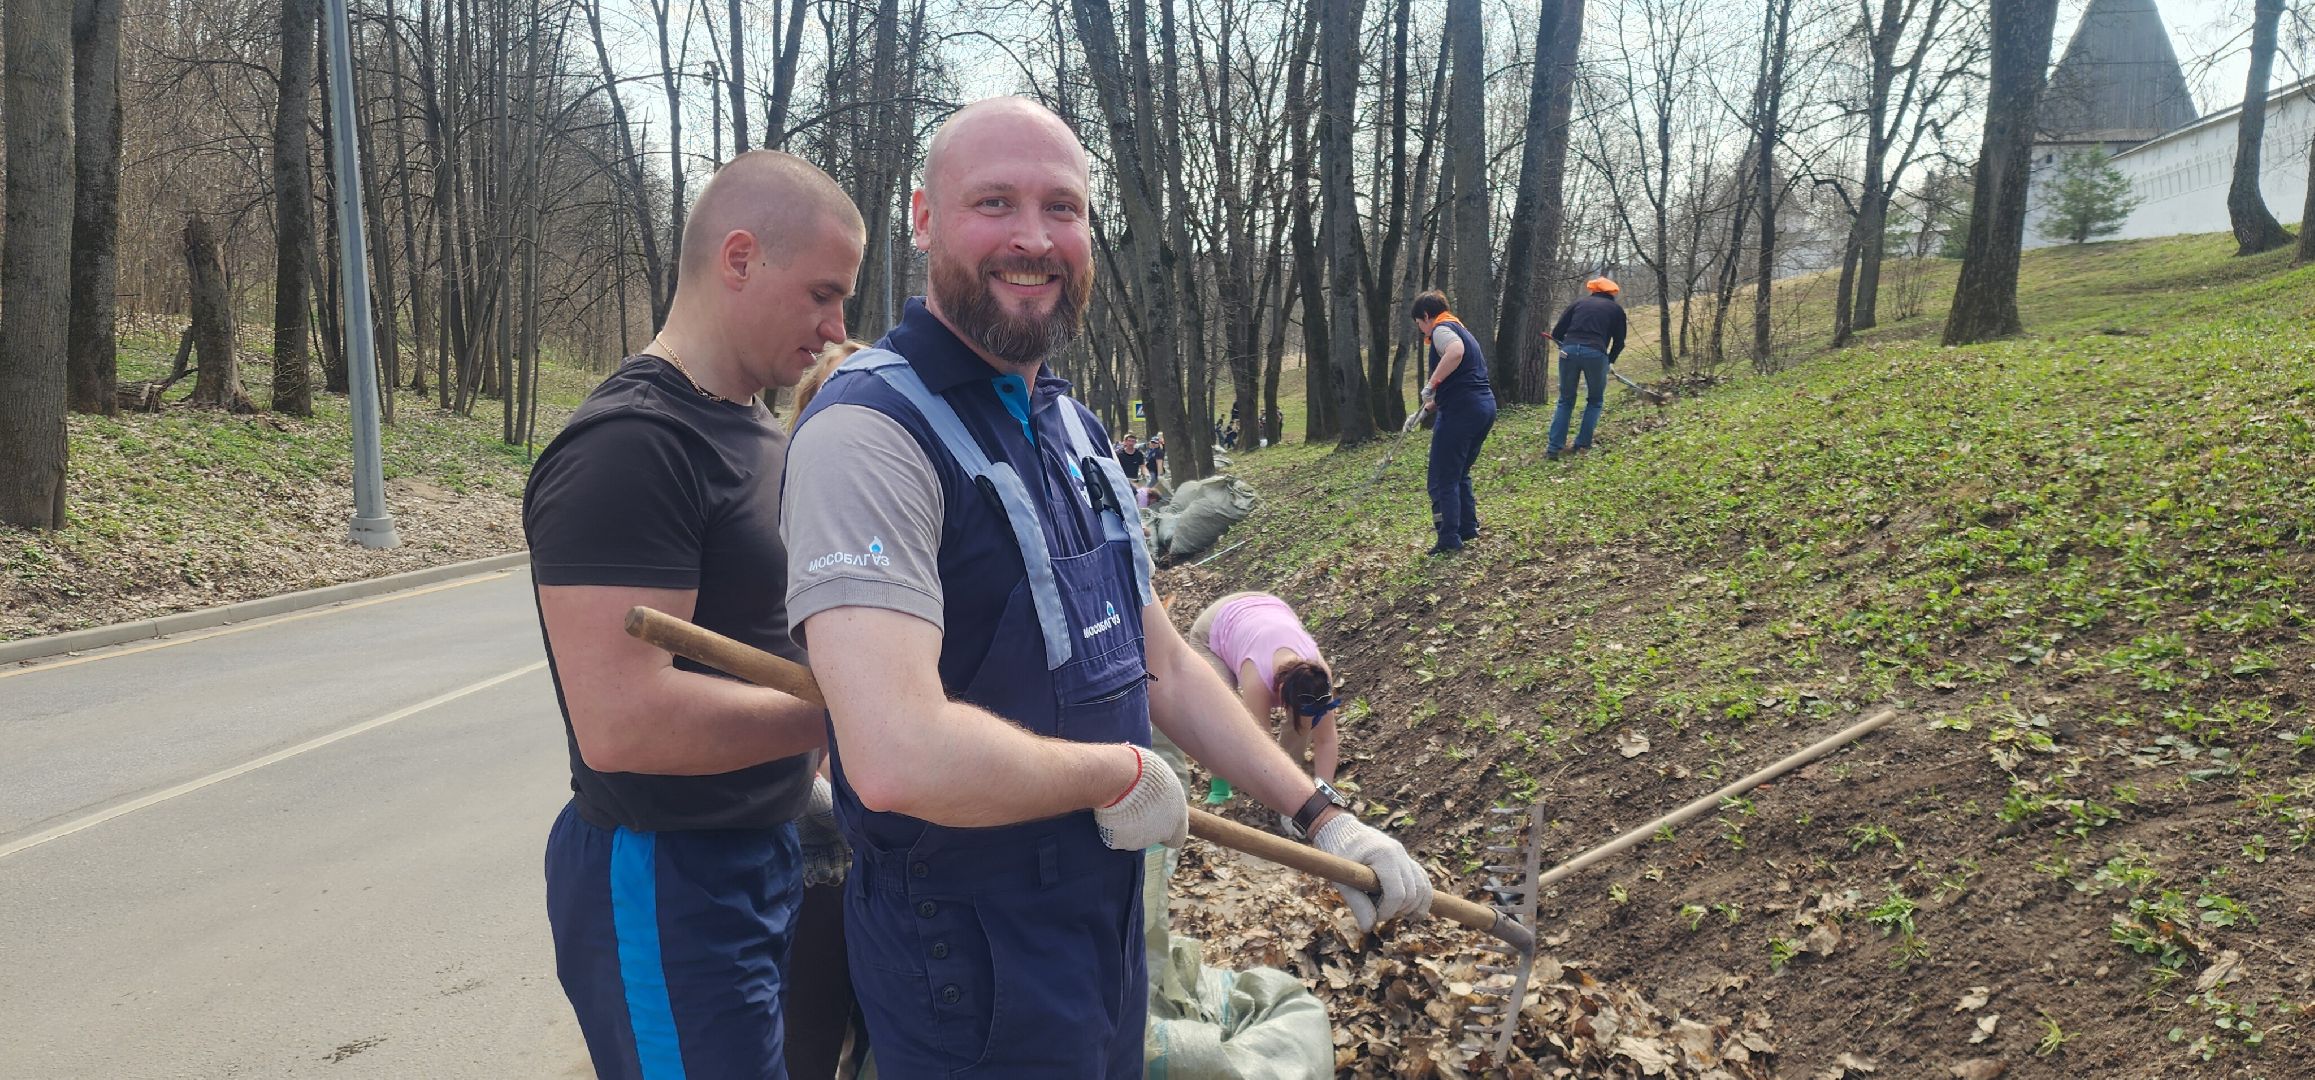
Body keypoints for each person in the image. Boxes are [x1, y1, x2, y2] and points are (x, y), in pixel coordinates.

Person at [781, 96, 1432, 1079]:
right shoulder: (867, 435)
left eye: (1063, 208)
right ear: (921, 219)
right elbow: (893, 755)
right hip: (967, 962)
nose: (1033, 238)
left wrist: (1321, 813)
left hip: (1102, 928)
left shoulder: (1078, 434)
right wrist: (1116, 776)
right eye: (992, 203)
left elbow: (1159, 658)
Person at [524, 150, 865, 1080]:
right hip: (665, 874)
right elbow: (623, 723)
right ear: (742, 257)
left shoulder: (754, 430)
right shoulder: (634, 446)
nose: (838, 326)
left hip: (764, 853)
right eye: (824, 294)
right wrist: (856, 710)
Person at [1186, 592, 1344, 811]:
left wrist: (1324, 794)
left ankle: (1293, 776)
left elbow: (1326, 740)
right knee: (1220, 709)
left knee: (1303, 722)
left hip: (1269, 609)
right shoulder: (1257, 681)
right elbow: (1261, 748)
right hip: (1214, 628)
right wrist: (1285, 803)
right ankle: (1220, 785)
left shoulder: (1319, 676)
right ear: (1278, 691)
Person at [1411, 289, 1498, 555]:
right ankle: (1467, 528)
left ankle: (1448, 537)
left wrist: (1431, 383)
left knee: (1441, 477)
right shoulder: (1463, 330)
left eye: (1419, 324)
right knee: (1459, 472)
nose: (1422, 331)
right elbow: (1464, 379)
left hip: (1462, 412)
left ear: (1426, 316)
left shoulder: (1442, 330)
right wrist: (1427, 409)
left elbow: (1455, 352)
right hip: (1483, 406)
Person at [1543, 277, 1628, 459]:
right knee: (1595, 400)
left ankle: (1554, 448)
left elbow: (1557, 333)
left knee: (1565, 400)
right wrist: (1609, 361)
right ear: (1612, 294)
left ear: (1593, 290)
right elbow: (1619, 342)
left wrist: (1567, 345)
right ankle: (1581, 445)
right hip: (1596, 354)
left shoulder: (1578, 303)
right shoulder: (1616, 310)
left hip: (1569, 351)